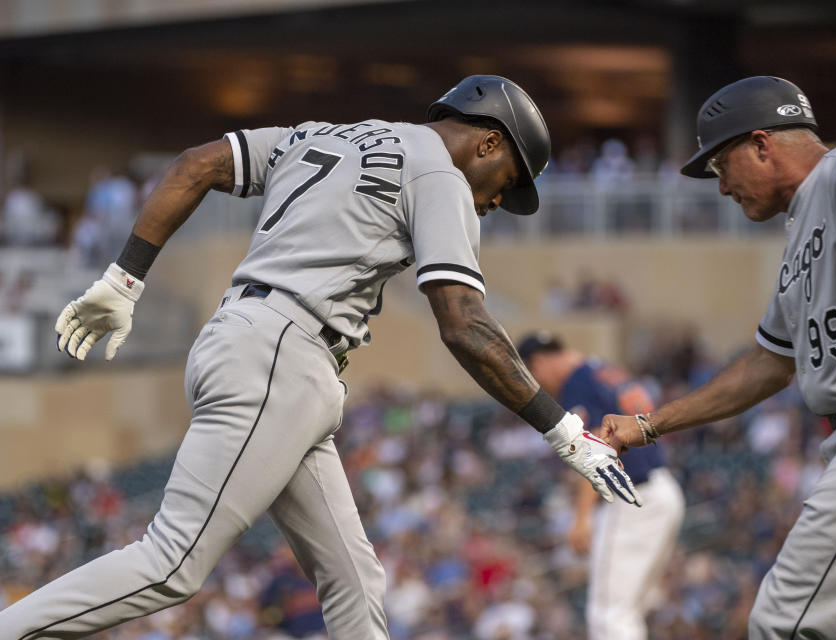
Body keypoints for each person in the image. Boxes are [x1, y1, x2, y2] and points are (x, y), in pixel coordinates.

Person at [1, 74, 641, 639]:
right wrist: (564, 432)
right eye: (509, 181)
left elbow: (197, 163)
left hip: (256, 344)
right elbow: (464, 325)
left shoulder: (319, 133)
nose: (500, 200)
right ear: (488, 142)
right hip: (282, 356)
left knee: (355, 581)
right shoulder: (440, 173)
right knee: (172, 563)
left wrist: (123, 278)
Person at [601, 75, 836, 639]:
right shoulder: (802, 232)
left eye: (722, 166)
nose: (721, 188)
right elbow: (767, 364)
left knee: (781, 621)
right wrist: (650, 425)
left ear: (762, 144)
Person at [516, 331, 684, 640]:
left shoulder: (577, 383)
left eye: (532, 374)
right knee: (627, 611)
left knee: (609, 616)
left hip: (633, 498)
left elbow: (595, 449)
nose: (538, 384)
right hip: (661, 490)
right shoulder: (602, 370)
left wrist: (582, 518)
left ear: (537, 363)